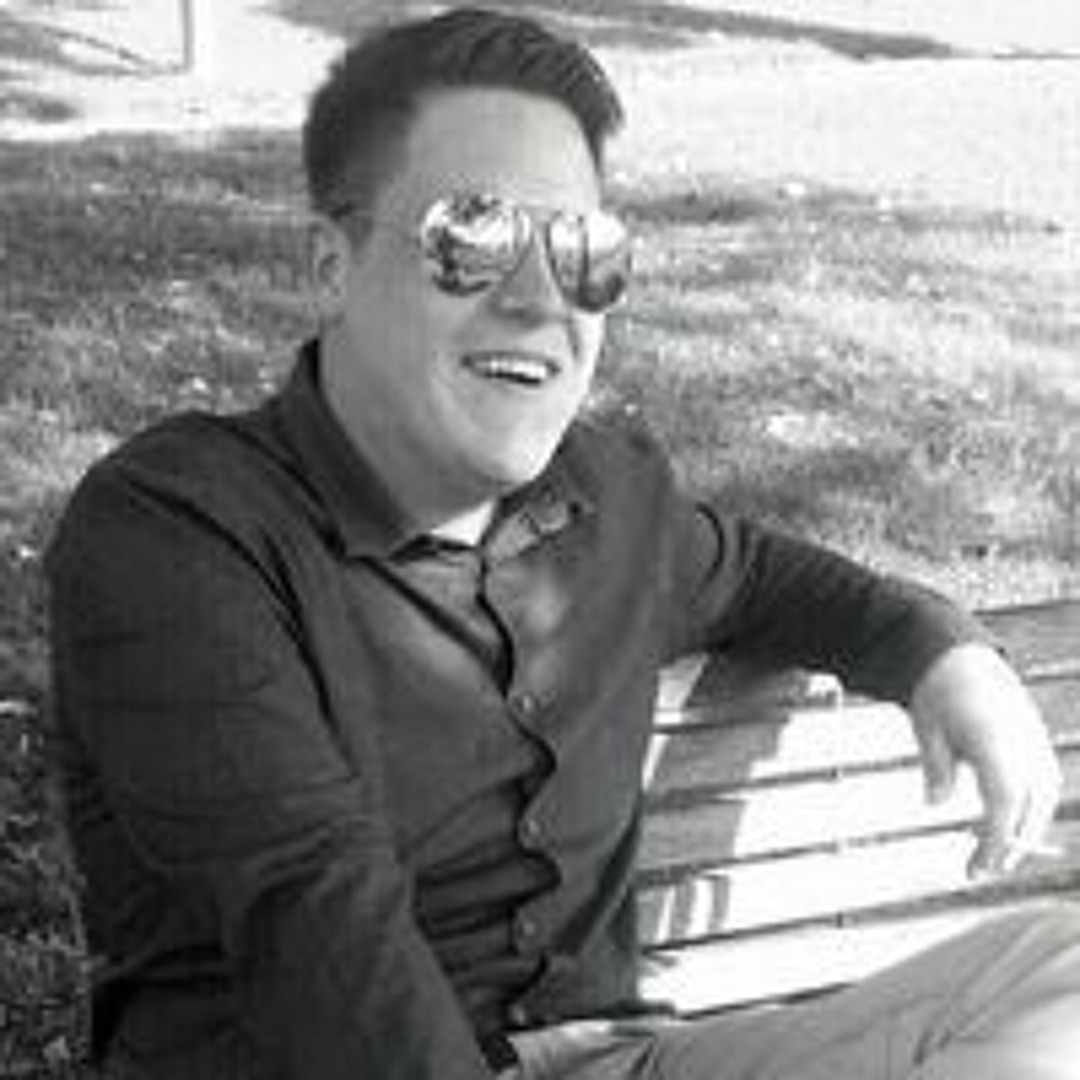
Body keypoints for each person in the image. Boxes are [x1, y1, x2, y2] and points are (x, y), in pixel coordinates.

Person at [46, 8, 1078, 1080]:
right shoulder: (178, 535)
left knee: (1061, 976)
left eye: (583, 250)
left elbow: (764, 580)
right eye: (471, 237)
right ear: (331, 264)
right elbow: (317, 937)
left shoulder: (609, 499)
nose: (541, 299)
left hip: (612, 1057)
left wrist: (942, 653)